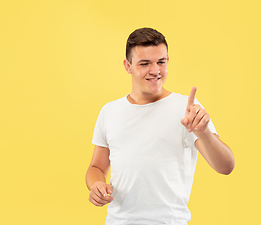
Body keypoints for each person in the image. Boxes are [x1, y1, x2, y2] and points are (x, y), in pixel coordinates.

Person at [85, 27, 235, 225]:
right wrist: (96, 185)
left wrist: (204, 133)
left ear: (167, 61)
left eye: (161, 62)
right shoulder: (109, 111)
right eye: (144, 63)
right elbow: (97, 166)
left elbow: (226, 166)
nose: (155, 71)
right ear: (127, 66)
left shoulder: (187, 110)